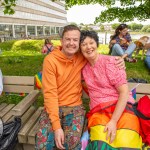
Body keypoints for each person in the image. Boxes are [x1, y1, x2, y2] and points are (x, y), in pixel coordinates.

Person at [35, 25, 125, 150]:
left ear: (78, 42)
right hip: (53, 108)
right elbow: (50, 94)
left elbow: (96, 57)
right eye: (68, 39)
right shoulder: (51, 60)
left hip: (75, 107)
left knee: (72, 144)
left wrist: (118, 61)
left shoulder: (82, 56)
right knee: (43, 145)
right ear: (61, 40)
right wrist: (56, 127)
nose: (71, 43)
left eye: (75, 40)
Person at [80, 30, 142, 149]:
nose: (88, 47)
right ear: (80, 49)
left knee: (126, 141)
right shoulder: (82, 68)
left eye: (91, 43)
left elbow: (124, 92)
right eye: (84, 44)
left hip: (123, 107)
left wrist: (113, 121)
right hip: (99, 110)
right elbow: (65, 54)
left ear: (97, 44)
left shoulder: (112, 62)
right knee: (101, 144)